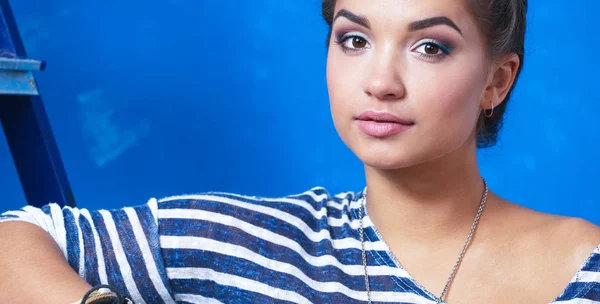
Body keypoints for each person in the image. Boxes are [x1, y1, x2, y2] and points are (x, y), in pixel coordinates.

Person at [1, 0, 599, 303]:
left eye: (430, 48)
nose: (380, 81)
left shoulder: (583, 267)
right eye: (355, 39)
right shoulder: (248, 245)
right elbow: (17, 237)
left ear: (498, 80)